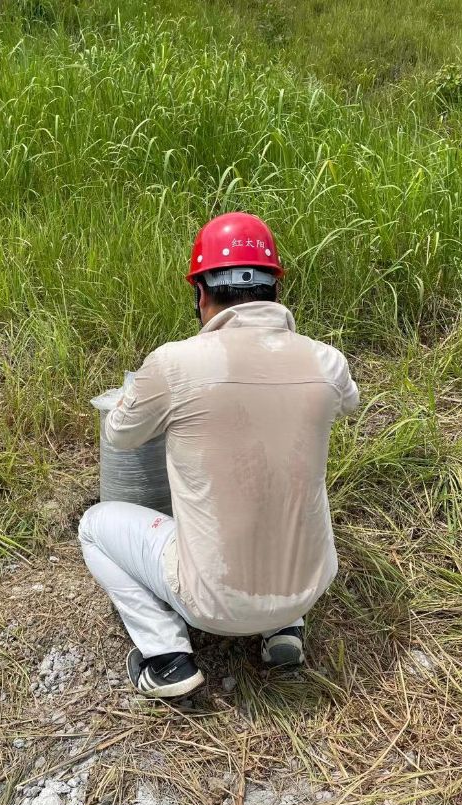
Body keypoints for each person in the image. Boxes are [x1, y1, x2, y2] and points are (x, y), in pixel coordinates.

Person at [78, 212, 359, 699]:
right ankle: (285, 629)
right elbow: (348, 401)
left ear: (200, 294)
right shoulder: (327, 361)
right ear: (275, 290)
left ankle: (166, 657)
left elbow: (119, 435)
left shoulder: (173, 362)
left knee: (94, 525)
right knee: (285, 484)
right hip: (308, 587)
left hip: (214, 604)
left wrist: (143, 399)